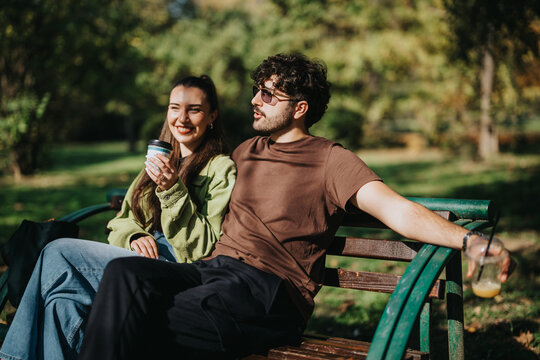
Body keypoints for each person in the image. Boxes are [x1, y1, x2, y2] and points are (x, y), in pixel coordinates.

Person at [78, 53, 513, 360]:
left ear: (300, 108)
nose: (255, 100)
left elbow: (396, 210)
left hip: (268, 293)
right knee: (122, 274)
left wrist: (470, 240)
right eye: (256, 91)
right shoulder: (246, 150)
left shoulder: (331, 160)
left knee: (133, 321)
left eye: (268, 95)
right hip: (212, 272)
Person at [0, 75, 237, 360]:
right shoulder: (160, 157)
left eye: (194, 109)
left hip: (172, 270)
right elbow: (123, 220)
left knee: (57, 251)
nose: (182, 118)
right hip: (131, 262)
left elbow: (204, 247)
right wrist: (135, 235)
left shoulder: (221, 168)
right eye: (175, 108)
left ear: (212, 116)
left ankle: (11, 357)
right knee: (62, 302)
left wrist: (173, 189)